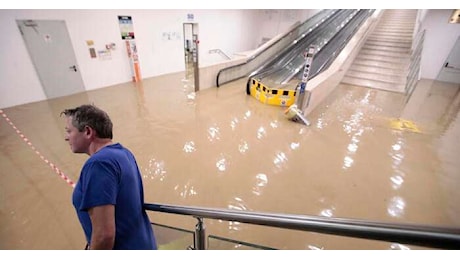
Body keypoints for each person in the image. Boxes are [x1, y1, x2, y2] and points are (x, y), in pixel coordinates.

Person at [61, 104, 157, 250]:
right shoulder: (124, 153)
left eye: (69, 131)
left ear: (87, 132)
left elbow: (104, 235)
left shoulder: (99, 164)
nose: (66, 138)